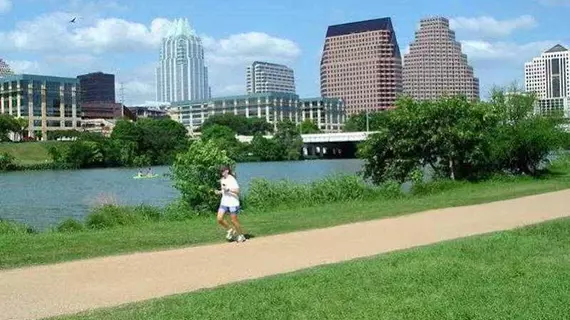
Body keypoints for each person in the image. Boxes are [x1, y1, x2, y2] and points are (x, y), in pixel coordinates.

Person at [215, 166, 246, 243]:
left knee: (234, 220)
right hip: (224, 202)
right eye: (220, 171)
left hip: (233, 203)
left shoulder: (232, 179)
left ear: (227, 171)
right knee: (219, 219)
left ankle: (241, 235)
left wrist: (228, 189)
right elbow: (224, 190)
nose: (221, 172)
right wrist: (219, 192)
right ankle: (230, 229)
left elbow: (237, 191)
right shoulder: (222, 180)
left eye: (223, 170)